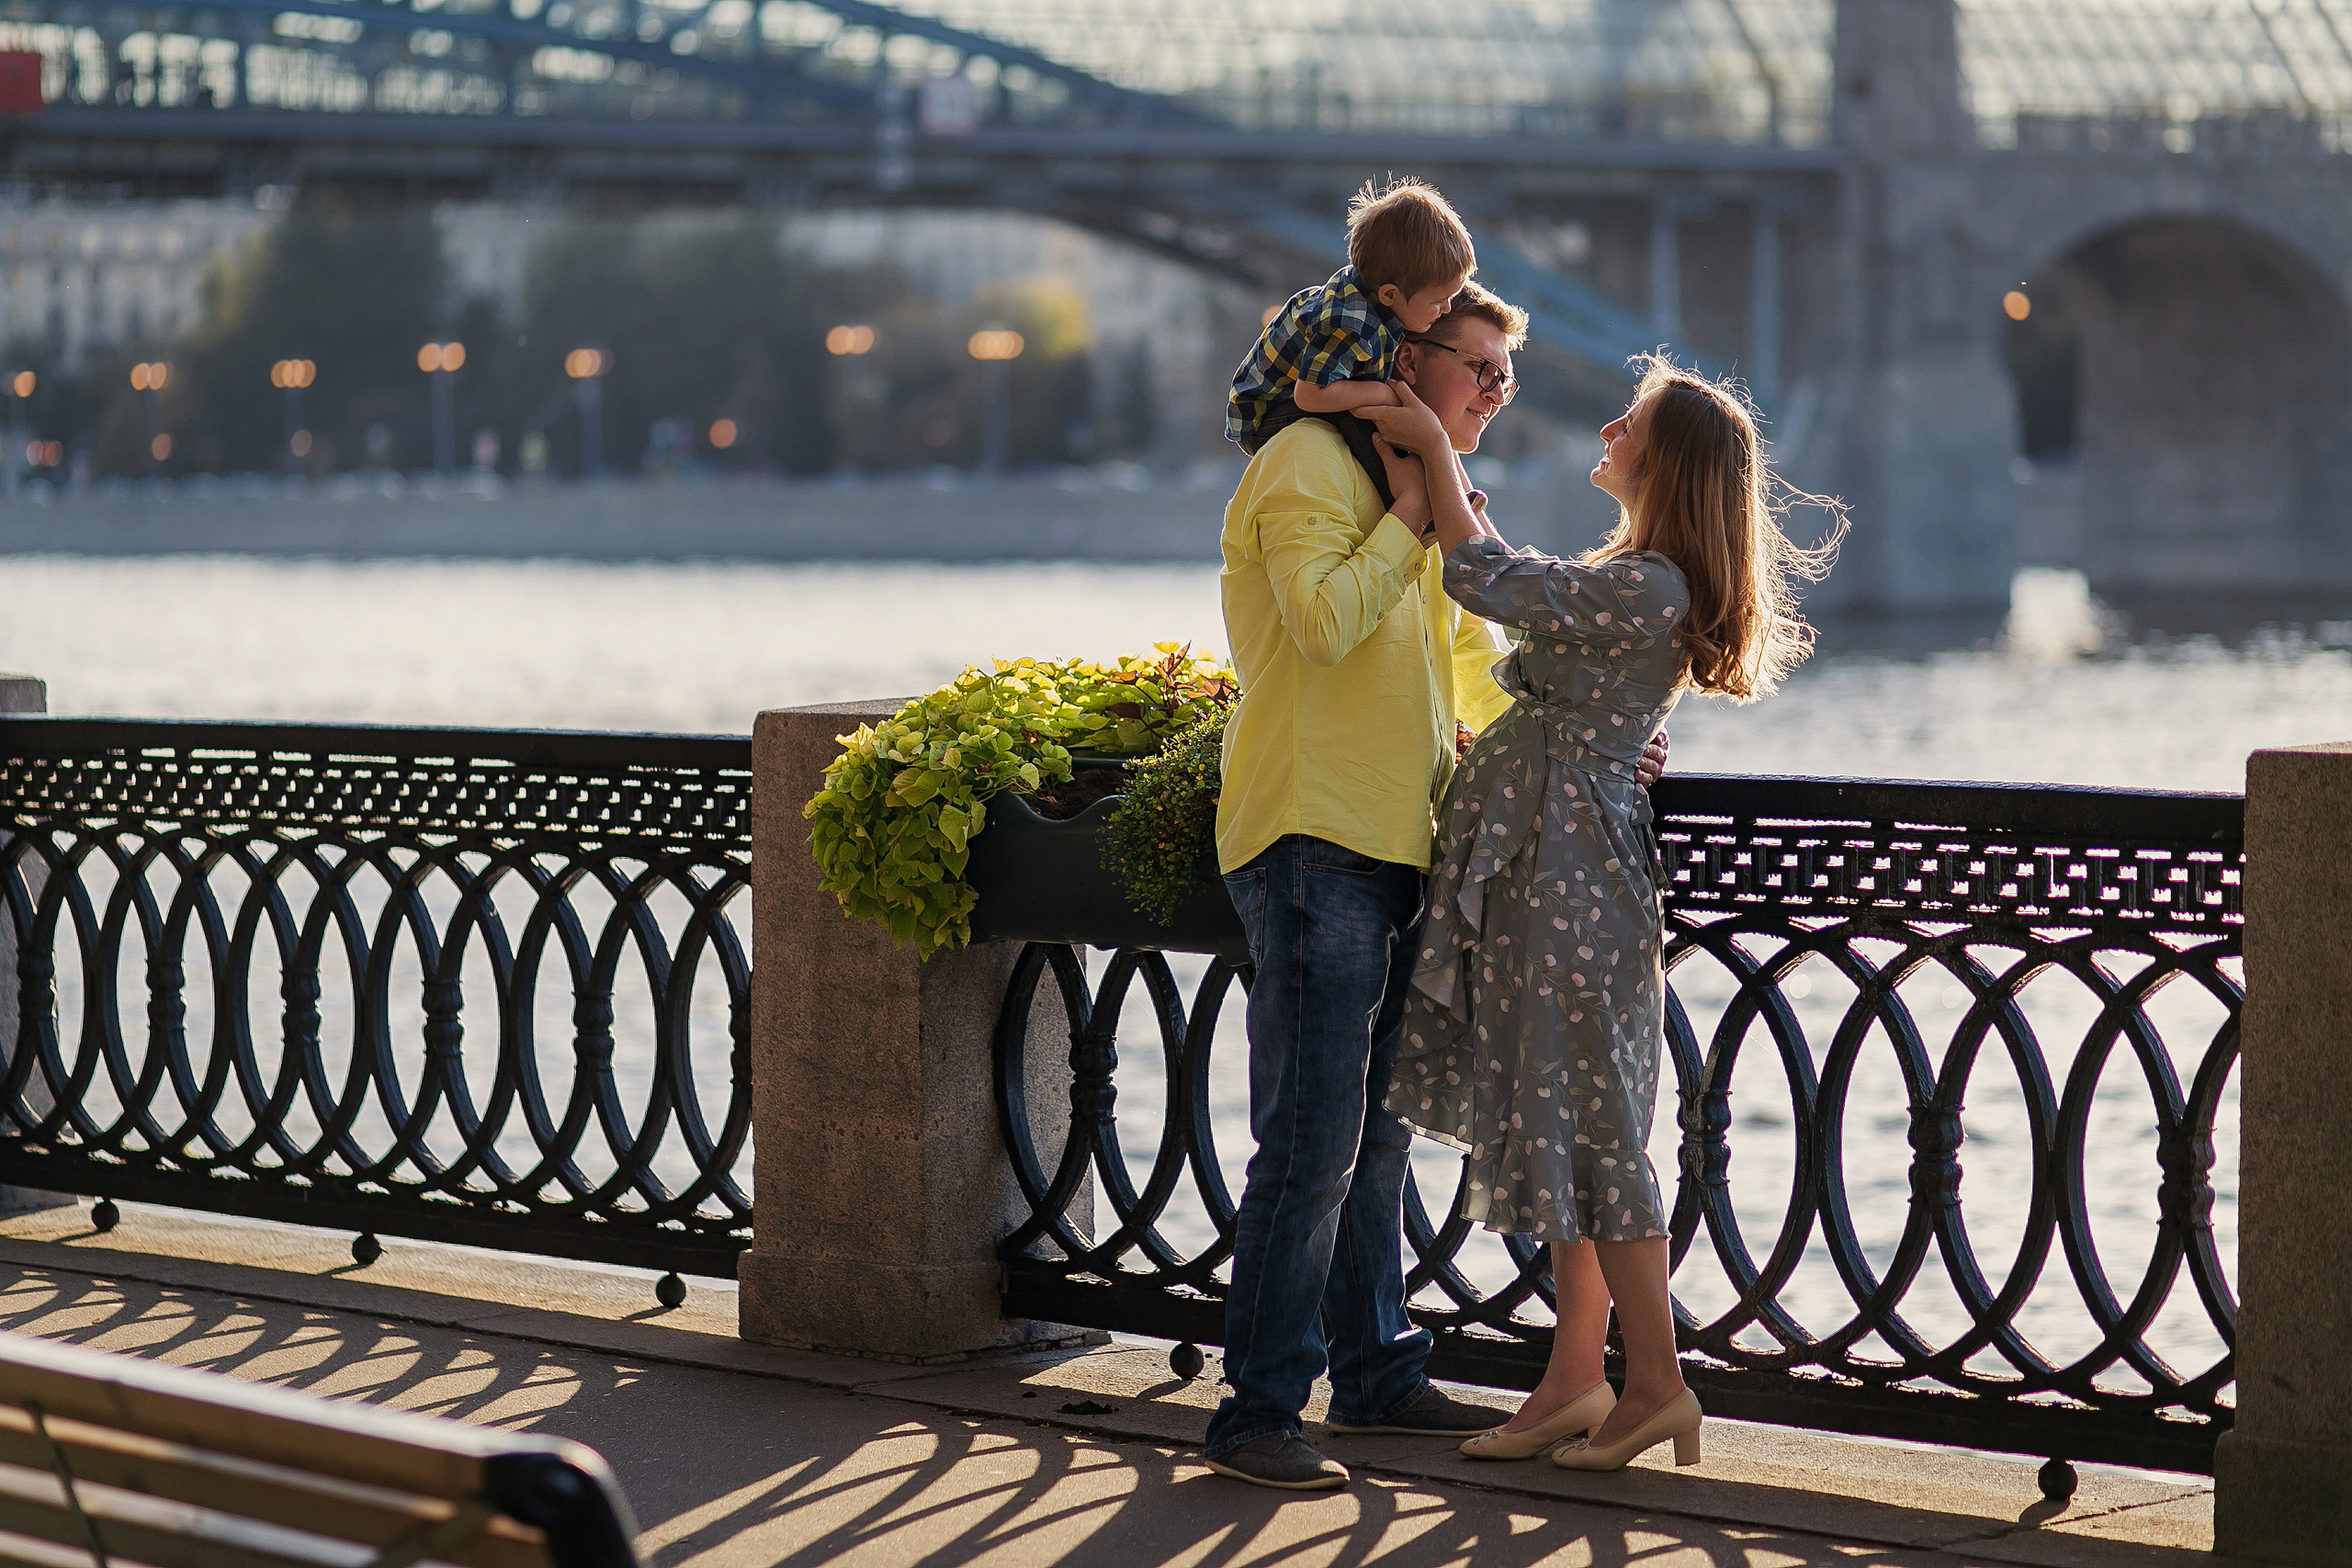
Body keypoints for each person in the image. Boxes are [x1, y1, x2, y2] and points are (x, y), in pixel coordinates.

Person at [1204, 282, 1668, 1492]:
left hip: (1398, 837)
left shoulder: (1413, 496)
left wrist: (1588, 722)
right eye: (1482, 366)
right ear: (1409, 361)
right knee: (1311, 1140)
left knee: (1379, 1136)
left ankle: (1373, 1374)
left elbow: (1467, 667)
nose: (1498, 393)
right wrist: (1413, 515)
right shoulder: (1308, 463)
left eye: (1509, 375)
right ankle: (1255, 1412)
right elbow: (1313, 625)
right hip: (1311, 830)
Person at [1360, 355, 1840, 1473]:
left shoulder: (1654, 586)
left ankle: (1657, 1384)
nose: (1611, 423)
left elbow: (1485, 583)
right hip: (1555, 863)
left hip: (1572, 877)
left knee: (1598, 1129)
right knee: (1573, 1125)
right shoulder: (1634, 577)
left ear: (1665, 462)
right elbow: (1512, 583)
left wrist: (1433, 444)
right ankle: (1575, 1378)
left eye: (1636, 419)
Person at [1226, 177, 1476, 456]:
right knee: (1365, 426)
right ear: (1390, 295)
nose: (1448, 309)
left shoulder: (1373, 296)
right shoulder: (1349, 325)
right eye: (1439, 301)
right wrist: (1380, 393)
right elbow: (1310, 394)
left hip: (1288, 402)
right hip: (1266, 418)